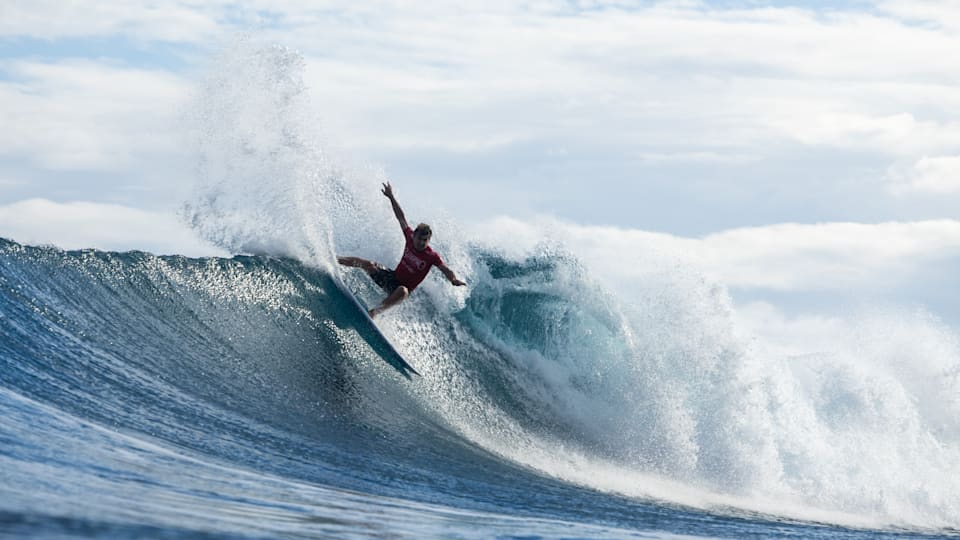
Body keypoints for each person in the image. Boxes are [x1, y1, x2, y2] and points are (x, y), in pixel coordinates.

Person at [338, 182, 466, 318]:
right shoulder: (409, 237)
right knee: (368, 264)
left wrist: (453, 279)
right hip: (391, 278)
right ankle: (335, 260)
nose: (422, 243)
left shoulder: (431, 256)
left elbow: (445, 269)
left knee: (403, 291)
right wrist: (391, 197)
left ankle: (374, 313)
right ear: (414, 235)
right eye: (420, 239)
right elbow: (401, 217)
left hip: (399, 291)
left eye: (425, 240)